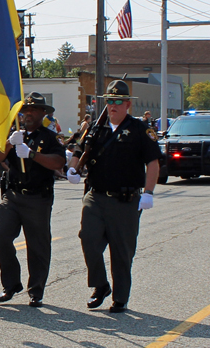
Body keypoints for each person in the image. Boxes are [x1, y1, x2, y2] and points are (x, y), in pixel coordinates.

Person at [67, 79, 162, 313]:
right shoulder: (96, 128)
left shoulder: (140, 129)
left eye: (118, 101)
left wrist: (148, 192)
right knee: (88, 239)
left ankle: (120, 297)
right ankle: (100, 285)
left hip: (125, 200)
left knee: (122, 252)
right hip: (96, 196)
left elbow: (153, 162)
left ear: (128, 104)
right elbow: (79, 150)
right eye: (109, 101)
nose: (113, 106)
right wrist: (72, 168)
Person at [0, 92, 66, 307]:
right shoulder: (15, 135)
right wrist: (9, 144)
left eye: (34, 110)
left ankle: (36, 290)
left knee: (37, 246)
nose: (29, 114)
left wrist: (31, 154)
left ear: (43, 113)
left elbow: (58, 162)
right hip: (13, 197)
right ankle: (11, 284)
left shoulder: (51, 138)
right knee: (2, 237)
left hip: (38, 198)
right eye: (26, 110)